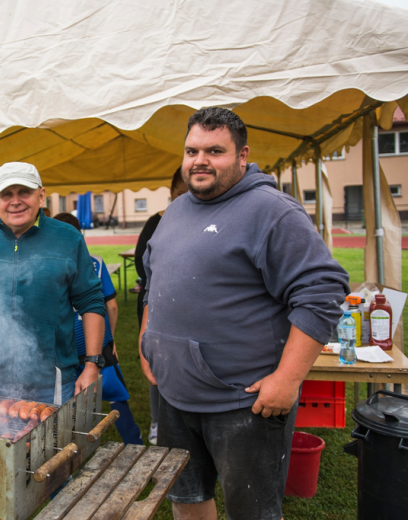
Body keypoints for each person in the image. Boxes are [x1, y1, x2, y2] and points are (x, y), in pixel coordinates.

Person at [138, 107, 349, 520]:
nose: (199, 160)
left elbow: (322, 291)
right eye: (192, 150)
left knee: (251, 511)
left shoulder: (272, 211)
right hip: (173, 394)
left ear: (242, 155)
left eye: (214, 151)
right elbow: (153, 277)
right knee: (186, 496)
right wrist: (149, 340)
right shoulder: (177, 210)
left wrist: (287, 380)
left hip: (242, 400)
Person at [0, 162, 106, 404]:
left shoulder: (68, 238)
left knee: (52, 443)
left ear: (41, 195)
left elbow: (91, 302)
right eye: (6, 195)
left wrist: (92, 364)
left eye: (24, 192)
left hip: (51, 382)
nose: (15, 201)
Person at [54, 212, 142, 445]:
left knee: (67, 403)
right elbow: (110, 306)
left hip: (66, 348)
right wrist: (109, 340)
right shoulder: (96, 261)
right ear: (80, 235)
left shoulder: (47, 265)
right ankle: (134, 444)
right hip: (98, 345)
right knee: (116, 398)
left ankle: (71, 449)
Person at [133, 167, 188, 445]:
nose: (186, 198)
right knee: (158, 366)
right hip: (156, 307)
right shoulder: (159, 222)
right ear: (171, 193)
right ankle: (158, 422)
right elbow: (145, 268)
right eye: (181, 194)